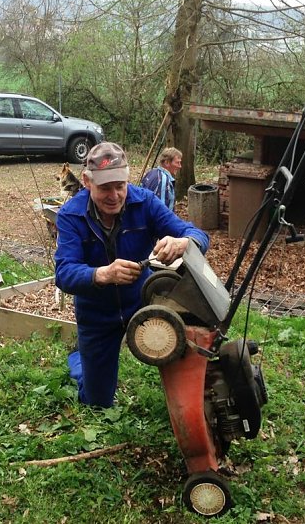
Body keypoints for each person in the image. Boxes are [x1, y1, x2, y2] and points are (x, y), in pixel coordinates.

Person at [54, 142, 209, 408]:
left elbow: (197, 235)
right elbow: (64, 273)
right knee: (96, 403)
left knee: (185, 346)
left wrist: (183, 243)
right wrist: (103, 274)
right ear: (87, 181)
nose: (114, 195)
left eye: (120, 185)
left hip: (141, 303)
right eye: (105, 187)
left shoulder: (144, 202)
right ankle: (79, 360)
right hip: (96, 314)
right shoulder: (71, 215)